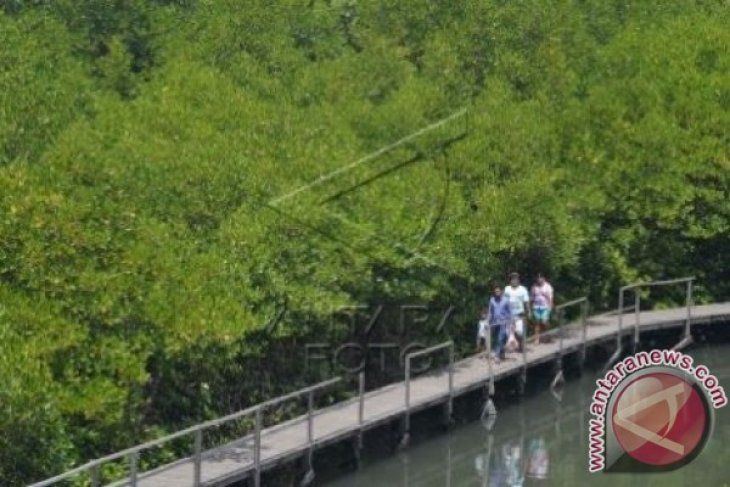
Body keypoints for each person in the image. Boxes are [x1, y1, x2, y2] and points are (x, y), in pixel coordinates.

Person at [503, 272, 530, 352]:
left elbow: (526, 301)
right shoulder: (507, 289)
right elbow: (504, 301)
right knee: (508, 333)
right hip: (509, 315)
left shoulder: (523, 289)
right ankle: (512, 347)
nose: (514, 281)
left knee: (520, 331)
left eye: (515, 279)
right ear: (510, 280)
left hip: (519, 315)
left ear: (518, 280)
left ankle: (522, 345)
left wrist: (528, 311)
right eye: (512, 279)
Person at [485, 285, 511, 361]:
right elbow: (490, 312)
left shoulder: (506, 300)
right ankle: (502, 353)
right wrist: (487, 321)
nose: (497, 293)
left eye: (498, 291)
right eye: (496, 291)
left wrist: (511, 322)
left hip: (504, 322)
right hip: (495, 323)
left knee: (501, 338)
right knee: (497, 339)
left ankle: (497, 356)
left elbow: (510, 312)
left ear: (501, 291)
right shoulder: (492, 300)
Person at [531, 273, 554, 344]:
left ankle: (548, 334)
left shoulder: (548, 286)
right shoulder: (534, 287)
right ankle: (537, 339)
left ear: (544, 278)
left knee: (544, 322)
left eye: (541, 277)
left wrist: (550, 305)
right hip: (536, 307)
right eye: (538, 277)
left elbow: (550, 297)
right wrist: (530, 306)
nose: (539, 279)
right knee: (537, 323)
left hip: (545, 307)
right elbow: (532, 297)